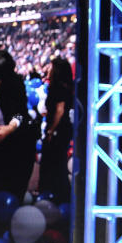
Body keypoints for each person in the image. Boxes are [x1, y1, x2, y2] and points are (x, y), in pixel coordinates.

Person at [0, 49, 37, 201]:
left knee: (11, 187)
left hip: (18, 144)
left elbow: (20, 114)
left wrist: (10, 128)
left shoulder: (14, 86)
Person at [38, 57, 74, 202]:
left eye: (51, 67)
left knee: (54, 163)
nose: (48, 69)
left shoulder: (58, 88)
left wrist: (51, 130)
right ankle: (57, 194)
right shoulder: (64, 87)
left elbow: (60, 110)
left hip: (58, 131)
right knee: (57, 163)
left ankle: (56, 195)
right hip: (62, 129)